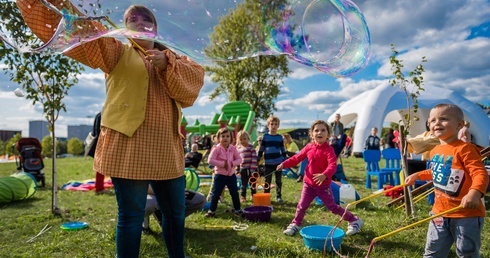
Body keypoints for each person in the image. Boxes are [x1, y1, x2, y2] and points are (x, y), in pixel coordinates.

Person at [17, 3, 205, 257]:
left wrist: (167, 62)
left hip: (166, 148)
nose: (139, 22)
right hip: (129, 145)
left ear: (156, 28)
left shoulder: (178, 60)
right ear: (124, 30)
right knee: (130, 215)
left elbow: (193, 85)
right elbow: (81, 30)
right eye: (132, 20)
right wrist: (52, 4)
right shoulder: (115, 51)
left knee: (175, 212)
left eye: (145, 18)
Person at [404, 104, 488, 258]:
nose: (437, 123)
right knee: (433, 251)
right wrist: (418, 175)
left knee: (466, 253)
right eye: (433, 120)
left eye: (443, 119)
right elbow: (438, 171)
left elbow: (480, 173)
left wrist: (474, 193)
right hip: (439, 212)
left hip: (466, 215)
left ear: (460, 125)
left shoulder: (465, 149)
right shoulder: (435, 149)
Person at [277, 120, 363, 236]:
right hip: (308, 184)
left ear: (328, 134)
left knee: (333, 207)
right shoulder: (308, 147)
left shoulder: (329, 150)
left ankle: (354, 220)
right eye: (316, 130)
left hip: (323, 186)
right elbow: (297, 158)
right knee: (302, 205)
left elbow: (332, 165)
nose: (319, 132)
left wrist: (325, 175)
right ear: (311, 134)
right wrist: (284, 164)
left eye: (323, 130)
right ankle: (295, 224)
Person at [205, 128, 243, 217]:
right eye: (223, 136)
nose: (225, 138)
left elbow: (239, 159)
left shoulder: (233, 149)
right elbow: (210, 160)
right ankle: (212, 211)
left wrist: (232, 163)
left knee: (234, 192)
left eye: (227, 136)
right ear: (218, 138)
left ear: (231, 138)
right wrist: (222, 164)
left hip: (231, 175)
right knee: (216, 194)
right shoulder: (216, 149)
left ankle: (237, 209)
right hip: (220, 175)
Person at [258, 115, 287, 203]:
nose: (273, 126)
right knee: (268, 181)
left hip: (278, 163)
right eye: (272, 124)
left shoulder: (279, 137)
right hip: (268, 163)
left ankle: (279, 196)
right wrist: (257, 159)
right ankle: (266, 196)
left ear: (278, 126)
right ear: (268, 125)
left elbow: (282, 149)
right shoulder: (265, 137)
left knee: (278, 181)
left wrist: (284, 159)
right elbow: (261, 149)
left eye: (276, 124)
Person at [236, 130, 258, 203]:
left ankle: (254, 195)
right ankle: (243, 196)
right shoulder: (238, 148)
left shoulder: (251, 147)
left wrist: (252, 168)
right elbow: (238, 160)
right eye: (241, 139)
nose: (243, 141)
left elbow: (254, 158)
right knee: (243, 184)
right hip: (243, 170)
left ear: (248, 138)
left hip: (251, 169)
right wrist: (237, 169)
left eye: (244, 139)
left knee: (253, 183)